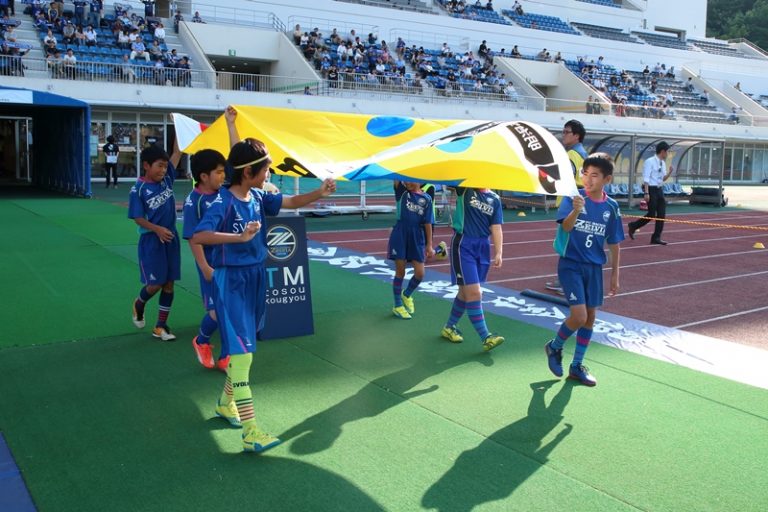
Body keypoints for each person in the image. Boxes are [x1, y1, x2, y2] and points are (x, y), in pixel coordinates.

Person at [191, 134, 336, 453]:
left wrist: (319, 192)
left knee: (244, 352)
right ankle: (250, 431)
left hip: (255, 278)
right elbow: (199, 235)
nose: (269, 173)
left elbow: (291, 203)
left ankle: (224, 404)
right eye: (266, 168)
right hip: (231, 283)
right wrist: (239, 238)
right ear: (247, 172)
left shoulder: (257, 196)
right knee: (243, 355)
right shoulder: (222, 202)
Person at [544, 154, 624, 387]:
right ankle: (555, 346)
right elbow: (566, 227)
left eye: (594, 175)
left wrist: (615, 273)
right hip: (571, 265)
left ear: (607, 179)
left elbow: (614, 242)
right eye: (585, 174)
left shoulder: (612, 207)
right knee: (579, 316)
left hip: (594, 267)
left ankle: (577, 366)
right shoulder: (574, 198)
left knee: (590, 318)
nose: (588, 179)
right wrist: (576, 211)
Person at [128, 139, 183, 341]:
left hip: (171, 239)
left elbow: (177, 152)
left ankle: (160, 326)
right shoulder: (138, 189)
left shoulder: (166, 180)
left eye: (165, 166)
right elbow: (138, 218)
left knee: (169, 283)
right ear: (146, 165)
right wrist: (157, 229)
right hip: (152, 242)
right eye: (159, 166)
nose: (163, 170)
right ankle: (139, 303)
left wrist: (178, 128)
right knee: (156, 284)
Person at [440, 187, 505, 352]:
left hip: (483, 246)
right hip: (463, 244)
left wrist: (499, 252)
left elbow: (496, 227)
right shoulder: (465, 189)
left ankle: (449, 327)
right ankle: (486, 337)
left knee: (465, 293)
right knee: (475, 293)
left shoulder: (495, 199)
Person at [183, 148, 229, 371]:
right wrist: (204, 267)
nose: (223, 176)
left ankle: (227, 356)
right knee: (216, 311)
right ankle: (201, 341)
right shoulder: (194, 202)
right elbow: (193, 238)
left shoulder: (225, 193)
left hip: (230, 261)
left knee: (230, 308)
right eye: (218, 172)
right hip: (210, 264)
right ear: (203, 176)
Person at [545, 120, 587, 294]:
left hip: (570, 203)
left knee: (566, 245)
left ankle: (567, 282)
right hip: (576, 201)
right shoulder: (582, 153)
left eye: (566, 132)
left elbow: (565, 177)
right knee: (571, 244)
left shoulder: (572, 154)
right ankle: (565, 280)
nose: (563, 135)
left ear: (576, 135)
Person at [388, 181, 435, 320]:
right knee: (400, 272)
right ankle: (397, 305)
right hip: (400, 234)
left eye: (410, 179)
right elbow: (397, 177)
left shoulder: (427, 198)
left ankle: (406, 294)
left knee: (420, 274)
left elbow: (428, 223)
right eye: (405, 179)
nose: (407, 182)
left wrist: (429, 244)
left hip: (417, 236)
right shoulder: (402, 192)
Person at [627, 141, 674, 245]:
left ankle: (656, 237)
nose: (668, 154)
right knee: (652, 214)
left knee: (661, 214)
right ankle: (633, 226)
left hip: (659, 189)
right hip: (651, 189)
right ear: (663, 151)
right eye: (667, 151)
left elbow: (663, 178)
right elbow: (646, 178)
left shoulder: (663, 163)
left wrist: (670, 172)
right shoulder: (650, 161)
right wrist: (646, 193)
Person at [420, 182, 448, 260]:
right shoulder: (412, 187)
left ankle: (440, 249)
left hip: (428, 222)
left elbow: (426, 203)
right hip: (416, 221)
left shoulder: (430, 187)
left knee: (426, 253)